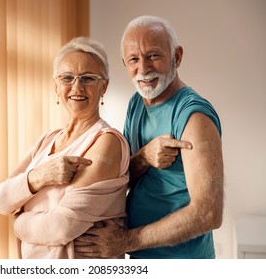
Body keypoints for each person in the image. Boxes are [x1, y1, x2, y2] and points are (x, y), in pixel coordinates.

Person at [74, 15, 224, 259]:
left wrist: (125, 241)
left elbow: (208, 213)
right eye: (134, 59)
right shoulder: (136, 103)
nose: (143, 69)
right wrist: (143, 157)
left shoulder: (194, 116)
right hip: (139, 257)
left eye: (154, 56)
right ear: (125, 63)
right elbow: (124, 177)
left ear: (177, 57)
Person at [0, 37, 130, 259]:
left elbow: (61, 227)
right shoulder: (48, 140)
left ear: (104, 86)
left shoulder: (106, 142)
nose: (77, 87)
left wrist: (18, 222)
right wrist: (40, 176)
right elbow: (0, 201)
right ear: (56, 86)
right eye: (67, 78)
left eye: (88, 78)